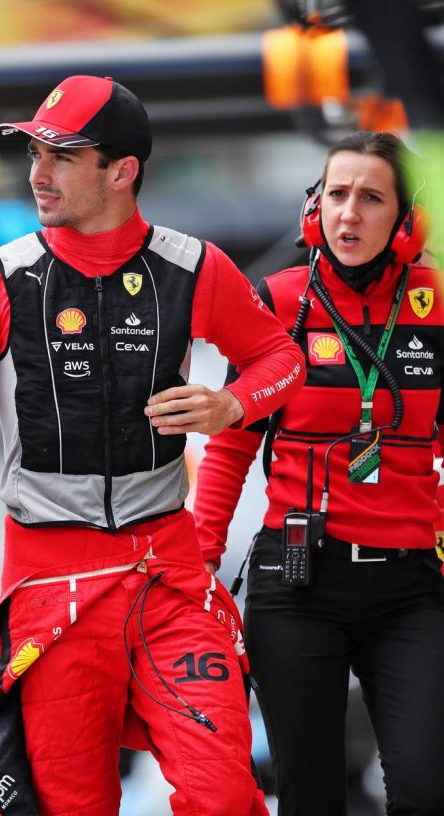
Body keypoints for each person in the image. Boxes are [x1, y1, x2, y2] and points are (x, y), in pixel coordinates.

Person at [0, 74, 306, 816]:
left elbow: (281, 360)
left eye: (61, 156)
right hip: (46, 595)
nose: (37, 174)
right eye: (32, 152)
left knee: (225, 794)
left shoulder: (194, 267)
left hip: (169, 581)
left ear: (122, 170)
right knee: (72, 806)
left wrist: (229, 402)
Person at [194, 130, 444, 816]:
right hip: (298, 580)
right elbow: (228, 448)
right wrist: (196, 567)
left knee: (426, 789)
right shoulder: (274, 302)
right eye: (336, 195)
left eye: (370, 198)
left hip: (412, 587)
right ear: (315, 207)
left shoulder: (437, 301)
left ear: (404, 220)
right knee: (309, 797)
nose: (348, 214)